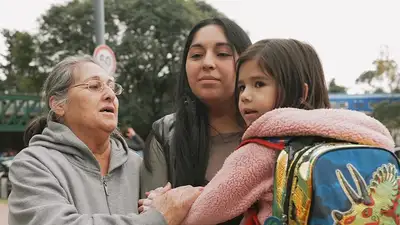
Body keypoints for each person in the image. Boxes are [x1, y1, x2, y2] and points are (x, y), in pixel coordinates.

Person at [141, 39, 396, 225]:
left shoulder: (267, 144)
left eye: (259, 84)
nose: (245, 97)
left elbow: (207, 209)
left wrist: (163, 204)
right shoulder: (363, 134)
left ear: (301, 93)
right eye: (241, 87)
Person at [8, 55, 202, 225]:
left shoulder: (138, 165)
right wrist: (159, 218)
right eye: (94, 86)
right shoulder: (33, 164)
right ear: (58, 104)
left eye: (112, 87)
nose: (110, 95)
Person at [140, 17, 252, 203]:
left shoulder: (270, 133)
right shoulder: (165, 134)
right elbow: (152, 217)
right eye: (196, 55)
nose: (207, 63)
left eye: (223, 54)